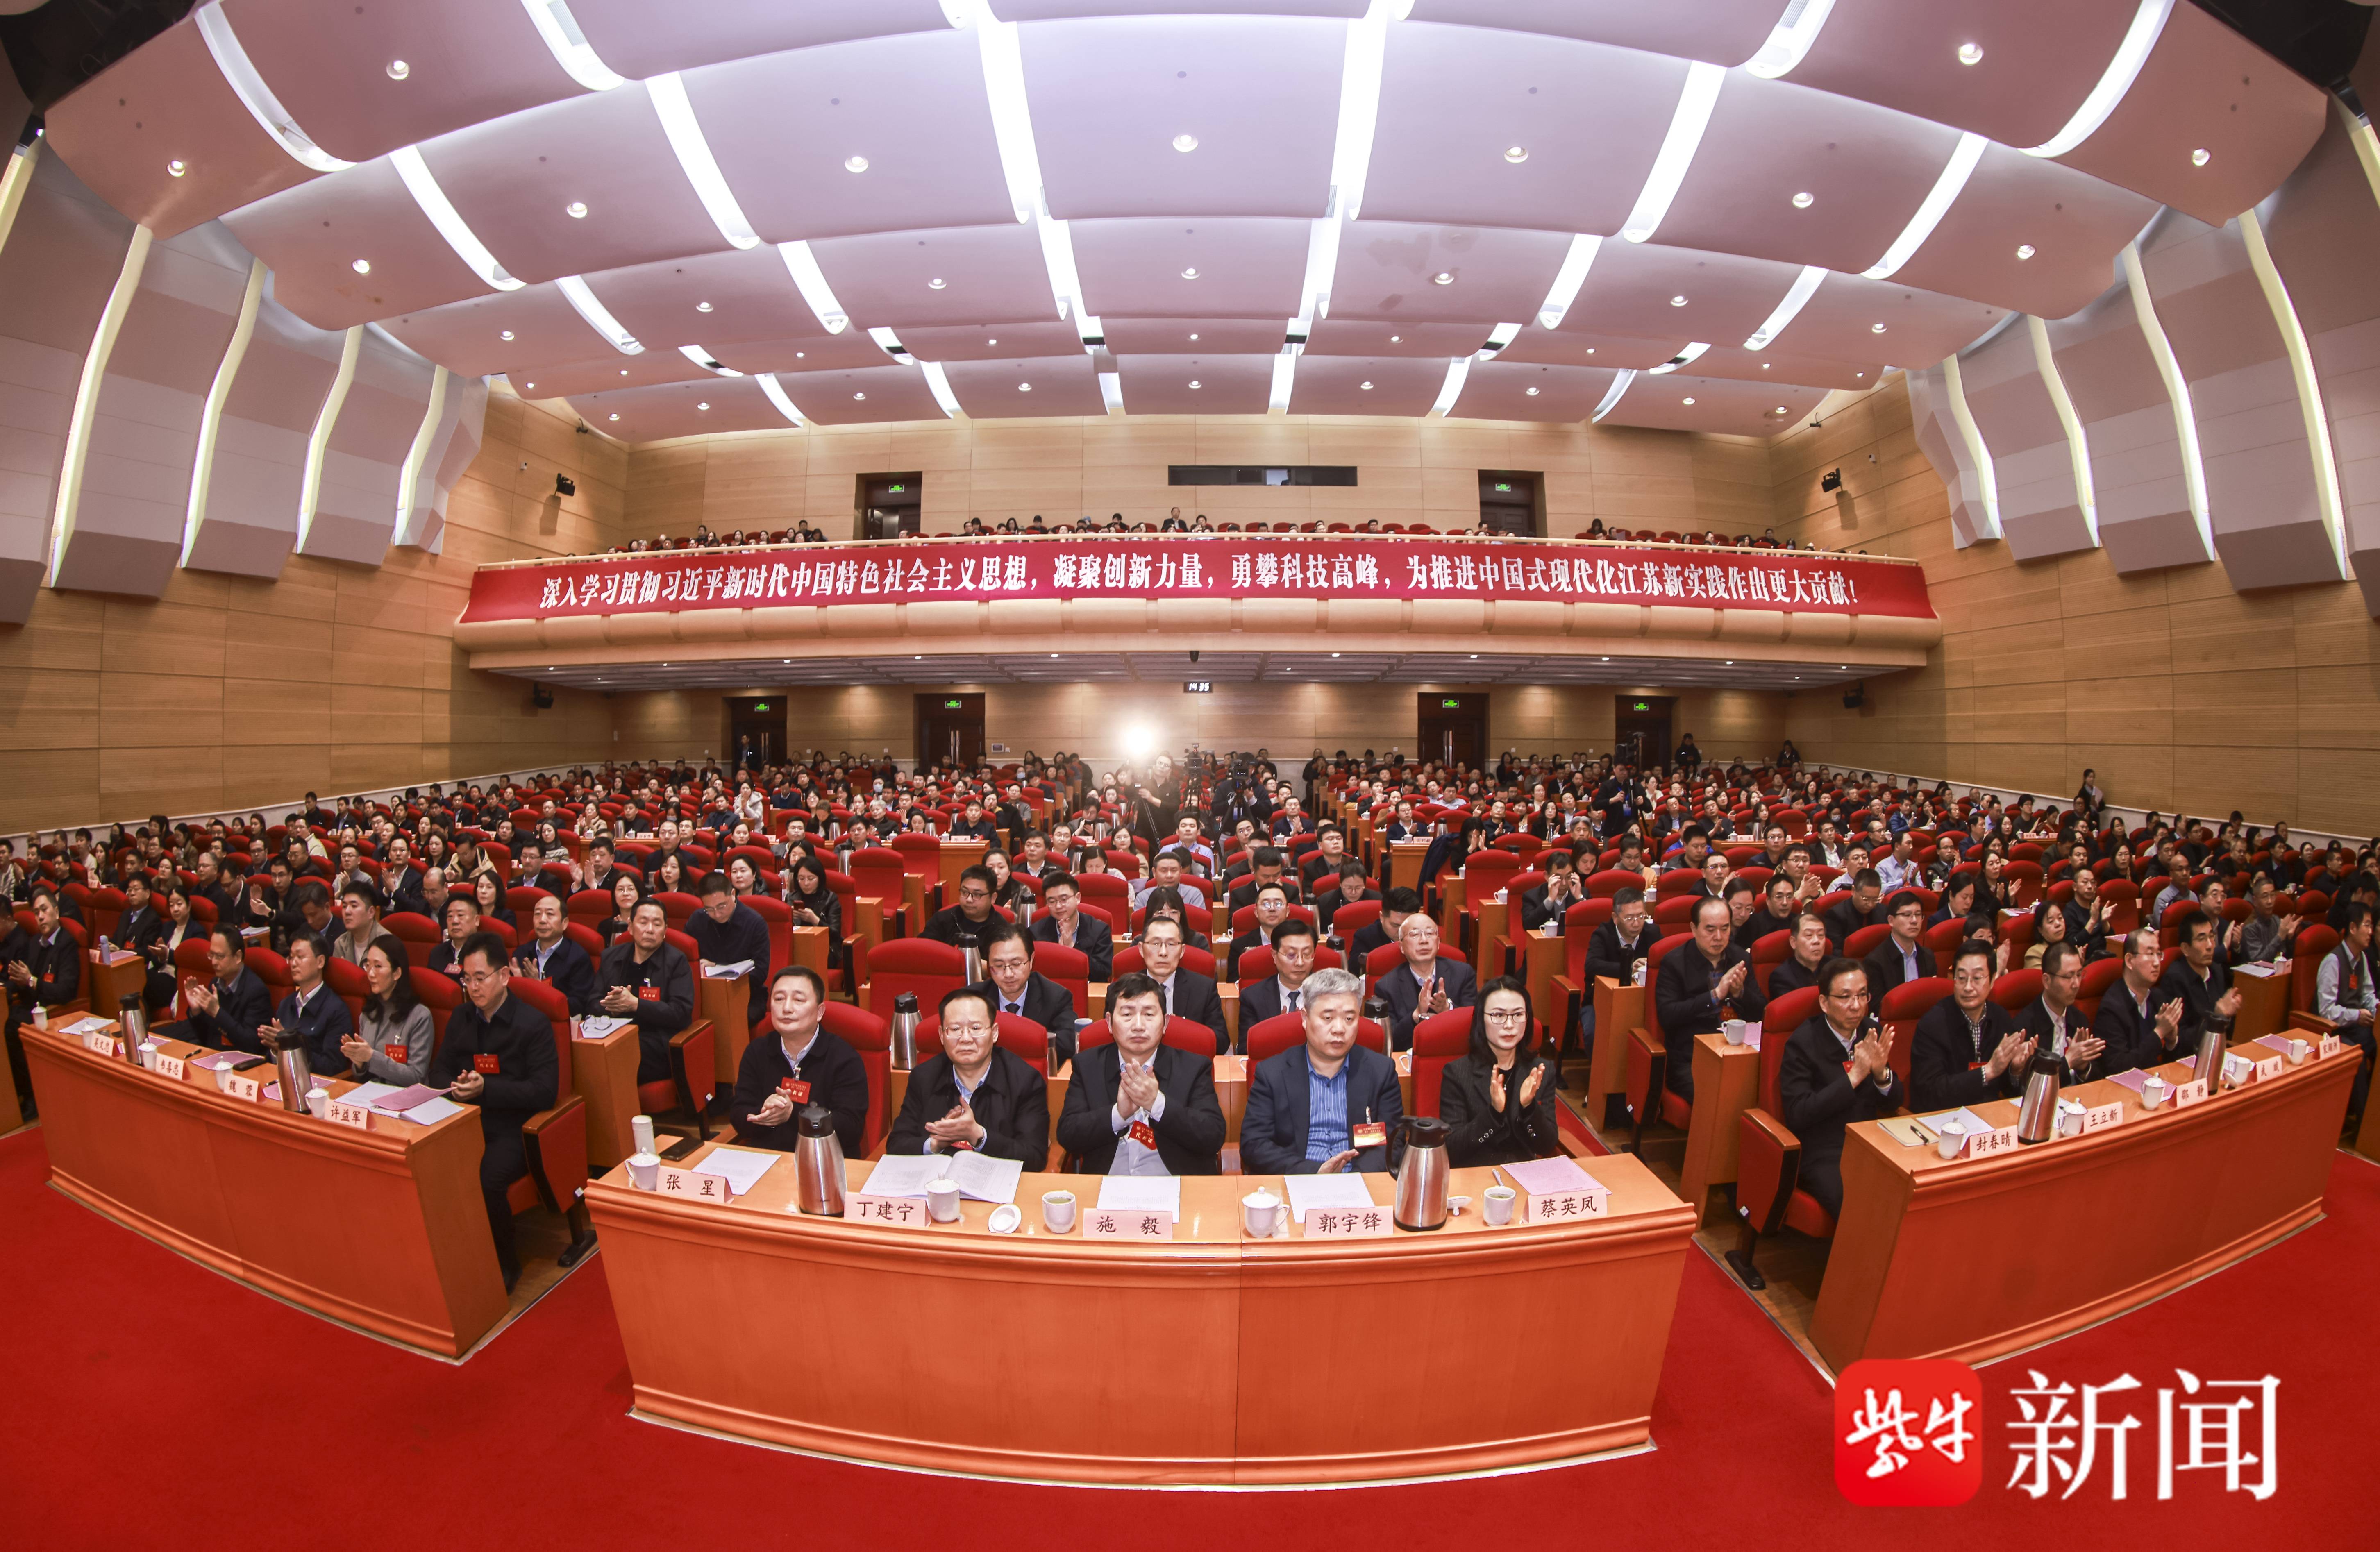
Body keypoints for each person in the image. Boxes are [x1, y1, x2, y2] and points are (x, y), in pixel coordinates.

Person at [427, 931, 558, 1292]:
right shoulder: (461, 1017)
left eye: (480, 978)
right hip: (463, 1119)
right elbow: (438, 1071)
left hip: (514, 1127)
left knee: (487, 1179)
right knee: (429, 1165)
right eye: (466, 979)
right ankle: (449, 1257)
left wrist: (487, 1089)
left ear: (503, 976)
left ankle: (505, 1263)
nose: (472, 988)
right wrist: (455, 1084)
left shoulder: (533, 1023)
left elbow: (545, 1092)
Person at [1054, 972, 1226, 1175]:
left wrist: (1157, 1104)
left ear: (1166, 1023)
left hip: (1173, 1183)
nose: (1138, 1026)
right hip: (1108, 1184)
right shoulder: (1088, 1065)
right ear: (1109, 1022)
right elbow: (1068, 1135)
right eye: (1127, 1015)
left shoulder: (1193, 1067)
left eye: (1149, 1015)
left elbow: (1213, 1136)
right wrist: (1118, 1115)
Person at [1240, 967, 1403, 1175]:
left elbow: (1392, 1143)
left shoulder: (1381, 1072)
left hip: (1361, 1180)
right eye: (1328, 1018)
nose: (1339, 1029)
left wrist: (1354, 1180)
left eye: (1349, 1019)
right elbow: (1254, 1144)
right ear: (1305, 1017)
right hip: (1298, 1179)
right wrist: (1314, 1172)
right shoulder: (1272, 1074)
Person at [1778, 958, 1898, 1219]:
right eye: (1845, 997)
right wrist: (1854, 1077)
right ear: (1824, 1003)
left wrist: (1881, 1074)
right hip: (1825, 1151)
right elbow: (1798, 1113)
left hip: (1871, 1142)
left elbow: (1893, 1103)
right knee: (1860, 1208)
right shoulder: (1802, 1043)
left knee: (1909, 1192)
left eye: (1862, 995)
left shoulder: (1871, 1031)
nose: (1856, 1006)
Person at [886, 987, 1050, 1163]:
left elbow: (1034, 1156)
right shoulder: (924, 1077)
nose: (965, 1039)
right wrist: (936, 1144)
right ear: (942, 1036)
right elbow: (896, 1145)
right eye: (955, 1029)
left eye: (976, 1028)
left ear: (994, 1033)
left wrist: (978, 1136)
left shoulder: (1026, 1081)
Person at [730, 966, 871, 1158]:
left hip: (826, 1163)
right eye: (779, 999)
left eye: (798, 1000)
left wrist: (793, 1115)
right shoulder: (757, 1052)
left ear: (820, 1012)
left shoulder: (844, 1058)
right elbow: (739, 1115)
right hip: (768, 1161)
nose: (787, 1008)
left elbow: (851, 1128)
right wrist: (766, 1113)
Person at [1437, 977, 1560, 1167]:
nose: (1509, 1025)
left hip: (1525, 1173)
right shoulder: (1457, 1073)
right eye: (1499, 1015)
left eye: (1518, 1015)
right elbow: (1452, 1150)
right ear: (1481, 1019)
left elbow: (1546, 1145)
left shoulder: (1540, 1071)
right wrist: (1493, 1114)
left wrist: (1529, 1108)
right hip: (1476, 1173)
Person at [1654, 897, 1767, 1103]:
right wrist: (1715, 996)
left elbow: (1761, 1012)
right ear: (1694, 928)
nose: (1719, 937)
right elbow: (1668, 1016)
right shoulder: (1674, 963)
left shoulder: (1741, 958)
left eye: (1725, 929)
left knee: (1766, 1091)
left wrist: (1740, 993)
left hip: (1738, 1051)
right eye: (1710, 930)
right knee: (1719, 1098)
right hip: (1692, 1056)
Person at [1910, 941, 2030, 1111]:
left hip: (1988, 1116)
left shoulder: (2001, 1018)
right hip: (1942, 1118)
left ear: (1992, 980)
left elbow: (2007, 1091)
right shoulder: (1932, 1024)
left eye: (1977, 978)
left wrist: (2015, 1070)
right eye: (1961, 978)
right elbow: (1931, 1092)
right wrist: (1987, 1072)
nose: (1968, 987)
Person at [596, 898, 695, 1086]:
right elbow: (592, 1002)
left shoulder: (677, 962)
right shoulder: (610, 957)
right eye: (643, 923)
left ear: (665, 930)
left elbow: (681, 1013)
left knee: (618, 1054)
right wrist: (613, 1008)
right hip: (613, 1033)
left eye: (657, 924)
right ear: (630, 927)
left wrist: (636, 1005)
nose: (650, 930)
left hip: (656, 1042)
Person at [969, 922, 1079, 1064]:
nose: (1008, 974)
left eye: (1016, 964)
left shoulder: (1056, 997)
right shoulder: (973, 1000)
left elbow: (1068, 1042)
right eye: (999, 966)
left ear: (1031, 960)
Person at [1374, 911, 1478, 1051]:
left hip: (1456, 1054)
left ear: (1438, 943)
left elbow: (1477, 1027)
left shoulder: (1463, 974)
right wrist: (1416, 1015)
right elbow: (1388, 1042)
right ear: (1402, 947)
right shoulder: (1386, 986)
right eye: (1415, 935)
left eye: (1430, 934)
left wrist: (1448, 1009)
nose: (1424, 940)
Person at [2315, 903, 2377, 1127]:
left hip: (2356, 1027)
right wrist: (2356, 1015)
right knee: (2356, 1057)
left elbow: (2368, 995)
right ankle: (2364, 1125)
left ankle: (2374, 1114)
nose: (2371, 932)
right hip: (2333, 1031)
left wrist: (2378, 1009)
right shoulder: (2333, 961)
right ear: (2353, 928)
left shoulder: (2362, 958)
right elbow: (2326, 1011)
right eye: (2367, 925)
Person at [258, 933, 354, 1076]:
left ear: (320, 962)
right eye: (291, 957)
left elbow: (333, 1067)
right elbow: (272, 1060)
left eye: (300, 957)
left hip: (317, 1084)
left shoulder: (336, 1009)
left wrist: (290, 1047)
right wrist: (275, 1050)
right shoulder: (286, 1004)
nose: (293, 963)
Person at [340, 937, 432, 1086]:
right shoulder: (368, 1014)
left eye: (378, 966)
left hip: (405, 1096)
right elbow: (361, 1078)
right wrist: (360, 1063)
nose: (371, 974)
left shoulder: (420, 1016)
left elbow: (416, 1077)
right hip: (371, 1094)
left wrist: (371, 1057)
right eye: (367, 965)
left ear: (397, 973)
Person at [2094, 930, 2188, 1075]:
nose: (2157, 963)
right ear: (2130, 961)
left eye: (2159, 954)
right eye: (2150, 954)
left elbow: (2169, 1066)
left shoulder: (2158, 997)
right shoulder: (2112, 1008)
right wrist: (2159, 1033)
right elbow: (2118, 1068)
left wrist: (2171, 1041)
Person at [688, 870, 771, 1029]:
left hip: (747, 995)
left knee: (728, 1021)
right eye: (709, 909)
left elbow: (761, 972)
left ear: (733, 894)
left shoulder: (755, 923)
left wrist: (718, 969)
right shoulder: (697, 920)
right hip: (706, 995)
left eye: (722, 906)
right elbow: (684, 961)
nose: (717, 914)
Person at [1133, 915, 1227, 1054]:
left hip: (1187, 1063)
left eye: (1171, 945)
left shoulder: (1204, 989)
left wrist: (1182, 1030)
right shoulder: (1123, 991)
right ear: (1141, 949)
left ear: (1182, 950)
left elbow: (1221, 1042)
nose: (1163, 953)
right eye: (1155, 944)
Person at [2019, 941, 2110, 1083]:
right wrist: (2068, 1062)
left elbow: (2097, 1079)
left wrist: (2084, 1067)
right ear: (2047, 981)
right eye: (2069, 977)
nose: (2077, 984)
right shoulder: (2025, 1026)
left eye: (2079, 975)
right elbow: (2029, 1084)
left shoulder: (2079, 1019)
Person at [2156, 913, 2241, 1043]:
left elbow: (2227, 1027)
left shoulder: (2216, 970)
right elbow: (2179, 1039)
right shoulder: (2175, 979)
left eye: (2212, 937)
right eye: (2202, 939)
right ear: (2186, 949)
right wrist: (2217, 1017)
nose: (2210, 946)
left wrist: (2228, 1014)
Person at [516, 894, 598, 1017]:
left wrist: (538, 988)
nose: (542, 920)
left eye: (550, 914)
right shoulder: (522, 954)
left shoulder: (578, 957)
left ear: (565, 923)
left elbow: (579, 1005)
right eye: (537, 914)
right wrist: (515, 986)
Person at [1239, 916, 1322, 1030]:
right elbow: (1247, 1041)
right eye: (1291, 955)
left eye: (1307, 954)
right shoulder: (1253, 998)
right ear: (1274, 956)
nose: (1300, 963)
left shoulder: (1330, 994)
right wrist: (1278, 1031)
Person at [1030, 870, 1112, 979]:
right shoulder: (1035, 933)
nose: (1058, 906)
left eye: (1064, 899)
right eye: (1052, 902)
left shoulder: (1100, 930)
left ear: (1078, 898)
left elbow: (1103, 973)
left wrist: (1072, 947)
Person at [1861, 891, 1937, 997]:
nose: (1914, 921)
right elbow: (1878, 1005)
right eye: (1907, 915)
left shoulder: (1928, 957)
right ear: (1891, 921)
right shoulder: (1875, 962)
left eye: (1918, 915)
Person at [920, 864, 1002, 951]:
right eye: (965, 892)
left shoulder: (1002, 929)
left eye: (977, 895)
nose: (969, 900)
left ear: (993, 898)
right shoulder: (941, 920)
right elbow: (923, 951)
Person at [1225, 881, 1294, 981]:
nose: (1272, 909)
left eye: (1278, 904)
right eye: (1266, 904)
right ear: (1256, 912)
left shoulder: (1300, 945)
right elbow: (1233, 983)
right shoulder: (1239, 946)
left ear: (1287, 911)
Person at [1767, 910, 1834, 997]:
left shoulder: (1835, 968)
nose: (1817, 941)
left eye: (1821, 935)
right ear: (1794, 942)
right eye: (1809, 935)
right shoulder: (1782, 977)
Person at [329, 880, 394, 967]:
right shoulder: (341, 943)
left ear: (371, 912)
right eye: (344, 906)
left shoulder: (387, 944)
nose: (347, 911)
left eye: (354, 906)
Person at [1519, 851, 1584, 933]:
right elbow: (1528, 926)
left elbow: (1592, 926)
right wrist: (1550, 900)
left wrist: (1580, 899)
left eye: (1568, 877)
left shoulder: (1582, 894)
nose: (1564, 883)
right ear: (1547, 876)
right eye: (1559, 878)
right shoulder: (1532, 896)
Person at [1824, 870, 1885, 950]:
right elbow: (1836, 952)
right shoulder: (1835, 915)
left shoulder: (1884, 912)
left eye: (1875, 900)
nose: (1870, 905)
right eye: (1865, 899)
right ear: (1853, 891)